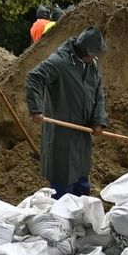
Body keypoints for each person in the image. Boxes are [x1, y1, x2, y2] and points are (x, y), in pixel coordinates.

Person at [26, 27, 108, 198]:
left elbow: (98, 94)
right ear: (85, 51)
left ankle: (80, 219)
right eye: (93, 54)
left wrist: (98, 120)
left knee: (82, 182)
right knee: (64, 187)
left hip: (82, 133)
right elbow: (34, 77)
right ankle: (63, 221)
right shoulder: (60, 62)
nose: (95, 58)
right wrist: (36, 109)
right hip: (61, 135)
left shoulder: (91, 65)